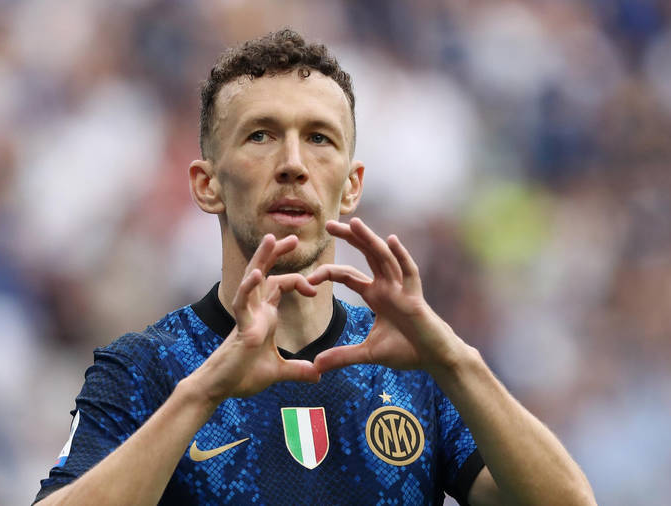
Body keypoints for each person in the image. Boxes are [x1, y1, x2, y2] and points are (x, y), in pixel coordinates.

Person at [33, 29, 595, 505]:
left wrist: (452, 358)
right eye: (261, 135)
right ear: (207, 185)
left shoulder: (414, 370)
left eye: (319, 138)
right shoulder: (147, 369)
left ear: (351, 186)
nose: (294, 164)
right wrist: (201, 395)